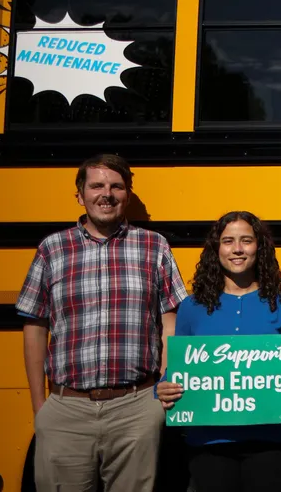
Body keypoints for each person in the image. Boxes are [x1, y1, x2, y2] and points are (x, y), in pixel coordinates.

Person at [17, 153, 189, 492]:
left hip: (137, 407)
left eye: (116, 186)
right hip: (67, 407)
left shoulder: (154, 246)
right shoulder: (52, 249)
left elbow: (171, 322)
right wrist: (41, 407)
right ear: (80, 195)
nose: (106, 194)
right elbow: (35, 327)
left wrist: (161, 395)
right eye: (96, 186)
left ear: (126, 195)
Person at [155, 211, 281, 492]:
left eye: (246, 241)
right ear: (217, 248)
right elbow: (179, 370)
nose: (237, 249)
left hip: (272, 441)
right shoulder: (192, 307)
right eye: (228, 241)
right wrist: (163, 389)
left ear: (259, 247)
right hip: (208, 443)